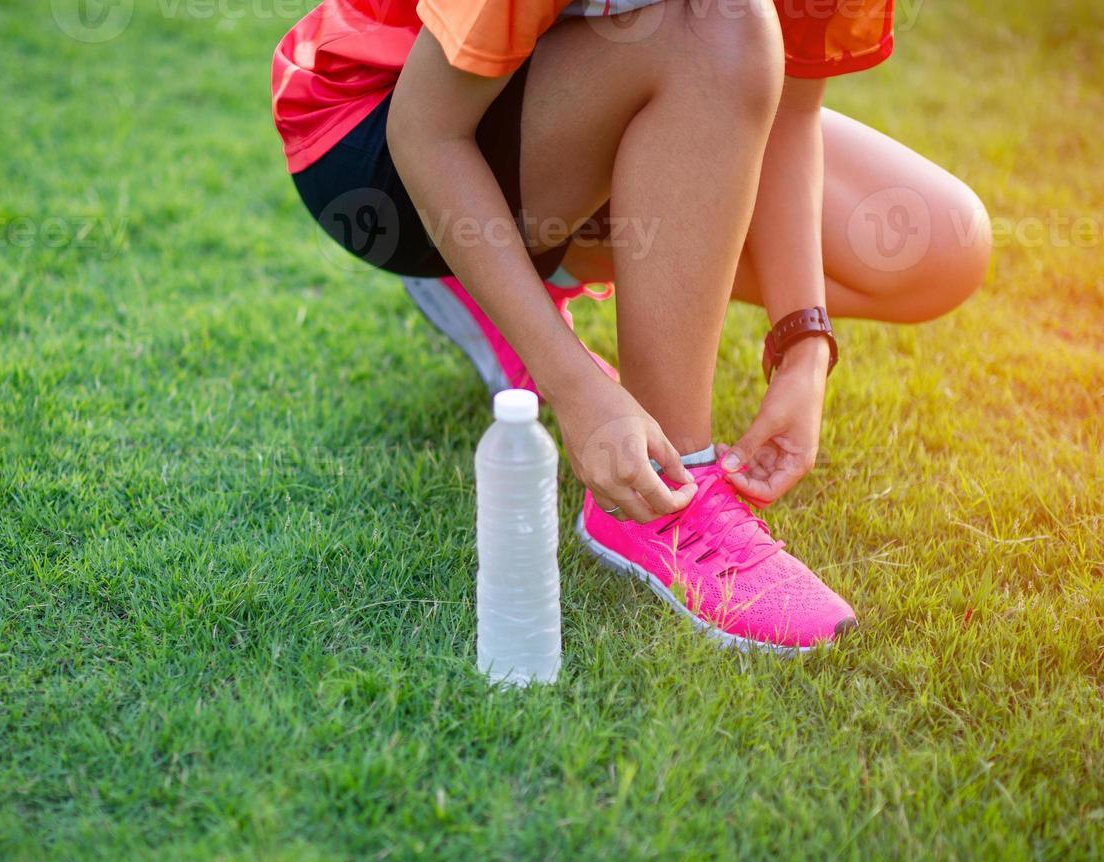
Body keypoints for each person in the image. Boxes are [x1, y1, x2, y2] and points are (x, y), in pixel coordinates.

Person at [271, 0, 991, 651]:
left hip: (588, 98)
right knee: (715, 24)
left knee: (939, 244)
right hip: (379, 141)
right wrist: (576, 387)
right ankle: (668, 495)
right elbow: (426, 133)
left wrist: (802, 347)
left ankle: (521, 278)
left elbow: (788, 113)